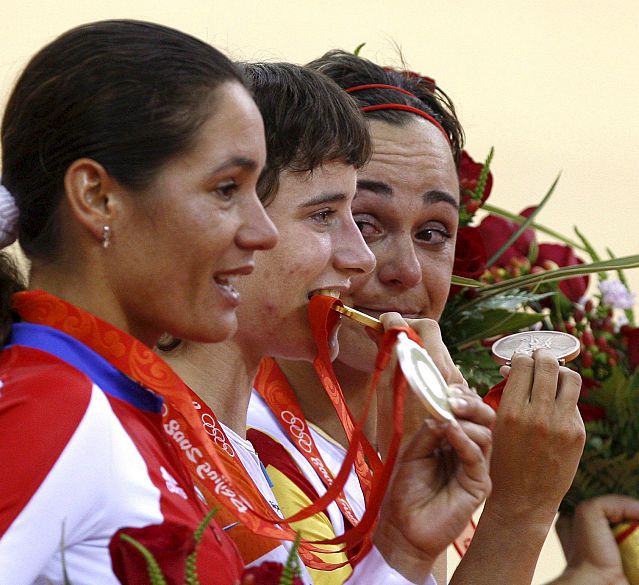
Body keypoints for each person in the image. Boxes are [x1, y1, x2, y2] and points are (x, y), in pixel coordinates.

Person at [0, 20, 278, 585]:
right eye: (226, 189)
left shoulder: (105, 397)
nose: (263, 231)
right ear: (97, 196)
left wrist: (400, 548)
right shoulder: (50, 404)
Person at [247, 49, 586, 585]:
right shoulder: (232, 438)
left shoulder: (414, 432)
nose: (404, 270)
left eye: (433, 232)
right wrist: (518, 513)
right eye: (361, 220)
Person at [158, 61, 494, 585]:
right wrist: (517, 513)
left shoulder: (235, 439)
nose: (376, 262)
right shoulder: (139, 421)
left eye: (433, 232)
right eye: (336, 217)